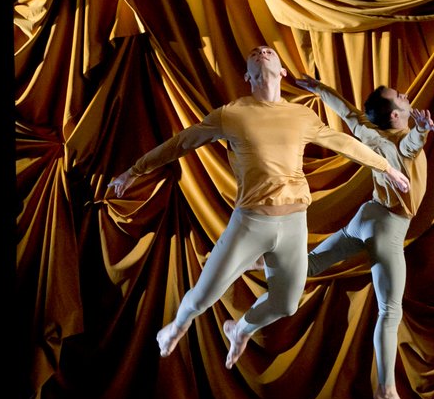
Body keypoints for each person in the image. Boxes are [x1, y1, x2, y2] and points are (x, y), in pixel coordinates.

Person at [107, 46, 410, 370]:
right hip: (251, 222)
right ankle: (178, 325)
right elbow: (180, 142)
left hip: (293, 223)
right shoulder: (231, 115)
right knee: (205, 294)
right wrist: (134, 171)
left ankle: (241, 330)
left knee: (286, 303)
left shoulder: (301, 116)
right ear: (248, 77)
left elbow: (344, 143)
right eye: (255, 53)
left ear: (281, 72)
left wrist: (386, 168)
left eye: (269, 51)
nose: (263, 50)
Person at [291, 77, 434, 399]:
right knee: (390, 310)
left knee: (309, 266)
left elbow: (349, 113)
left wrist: (318, 87)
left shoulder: (372, 134)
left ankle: (257, 256)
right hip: (387, 226)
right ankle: (386, 389)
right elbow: (408, 150)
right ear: (396, 117)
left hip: (365, 217)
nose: (404, 94)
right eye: (398, 97)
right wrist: (422, 131)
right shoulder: (398, 141)